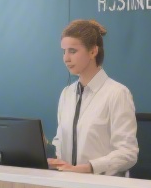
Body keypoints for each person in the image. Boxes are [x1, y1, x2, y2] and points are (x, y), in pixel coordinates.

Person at [47, 19, 139, 176]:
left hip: (102, 186)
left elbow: (128, 153)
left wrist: (88, 168)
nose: (66, 58)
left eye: (72, 51)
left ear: (93, 51)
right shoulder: (67, 94)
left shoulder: (117, 93)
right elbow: (60, 141)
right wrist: (52, 157)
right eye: (64, 51)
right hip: (67, 182)